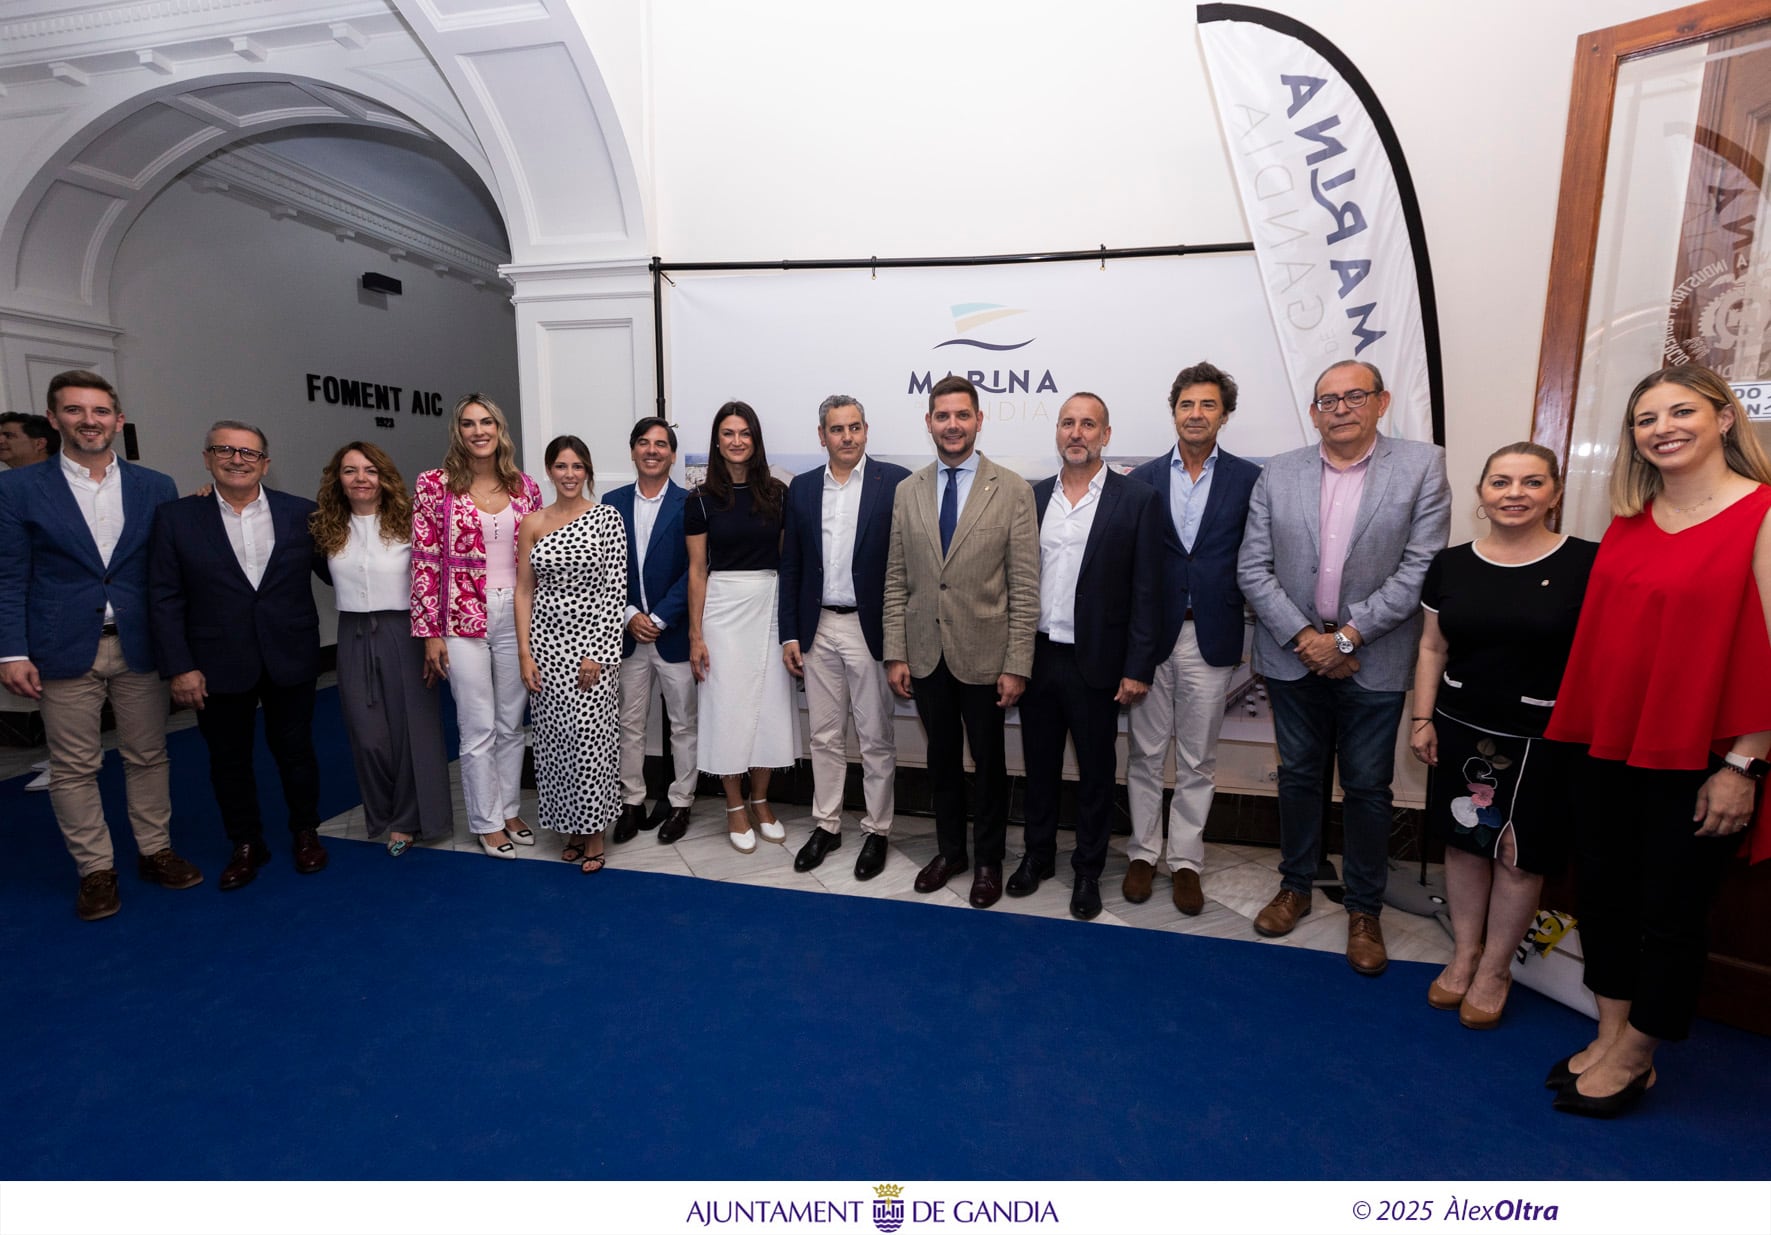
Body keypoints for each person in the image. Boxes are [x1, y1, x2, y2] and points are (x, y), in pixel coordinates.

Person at [1542, 364, 1771, 1117]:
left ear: (1723, 419)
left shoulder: (1762, 513)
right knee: (1602, 894)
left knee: (1672, 910)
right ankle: (1612, 1034)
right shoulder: (1629, 518)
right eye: (1646, 418)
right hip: (1605, 743)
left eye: (1681, 412)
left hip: (1702, 754)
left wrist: (1744, 763)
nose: (1662, 428)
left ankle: (1640, 1051)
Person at [1237, 359, 1451, 974]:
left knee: (1367, 787)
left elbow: (1421, 568)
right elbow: (1253, 566)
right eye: (1328, 400)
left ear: (1382, 402)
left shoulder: (1421, 466)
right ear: (1313, 413)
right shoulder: (1280, 472)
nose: (1341, 409)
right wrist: (1308, 638)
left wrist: (1348, 639)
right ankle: (1296, 886)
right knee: (1299, 778)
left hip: (1374, 658)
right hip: (1293, 655)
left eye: (1355, 396)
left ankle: (1364, 909)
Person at [1409, 443, 1596, 1028]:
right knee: (1465, 842)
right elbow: (1432, 647)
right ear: (1482, 493)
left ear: (1555, 493)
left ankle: (1495, 968)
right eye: (1501, 481)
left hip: (1544, 738)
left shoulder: (1587, 563)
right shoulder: (1451, 565)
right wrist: (1422, 718)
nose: (1515, 493)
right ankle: (1465, 953)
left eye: (1532, 482)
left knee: (1519, 854)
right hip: (1460, 727)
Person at [0, 370, 196, 919]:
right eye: (75, 410)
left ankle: (155, 851)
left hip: (139, 644)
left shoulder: (155, 486)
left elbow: (168, 569)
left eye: (100, 411)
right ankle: (96, 870)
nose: (89, 421)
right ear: (54, 418)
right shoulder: (17, 489)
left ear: (118, 420)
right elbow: (9, 576)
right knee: (73, 766)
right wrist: (11, 651)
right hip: (61, 647)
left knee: (149, 754)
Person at [148, 420, 329, 891]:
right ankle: (246, 843)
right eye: (225, 450)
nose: (236, 459)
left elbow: (340, 569)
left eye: (249, 453)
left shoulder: (302, 514)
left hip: (290, 654)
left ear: (265, 464)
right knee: (228, 760)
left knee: (297, 752)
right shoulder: (177, 518)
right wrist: (180, 666)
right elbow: (165, 596)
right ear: (207, 458)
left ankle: (305, 832)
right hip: (215, 662)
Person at [883, 374, 1040, 909]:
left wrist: (1018, 663)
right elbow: (896, 578)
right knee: (942, 761)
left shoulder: (1013, 490)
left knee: (990, 766)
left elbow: (1025, 586)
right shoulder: (908, 491)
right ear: (929, 422)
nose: (953, 425)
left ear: (978, 420)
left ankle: (989, 860)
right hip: (926, 655)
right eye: (943, 416)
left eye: (962, 415)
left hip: (987, 657)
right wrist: (896, 652)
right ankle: (951, 852)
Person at [1012, 393, 1162, 919]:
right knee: (1040, 768)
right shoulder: (1032, 497)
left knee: (1097, 774)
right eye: (1068, 423)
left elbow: (1148, 590)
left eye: (1088, 424)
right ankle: (1037, 856)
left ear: (1106, 434)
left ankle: (1088, 870)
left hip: (1097, 662)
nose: (1077, 433)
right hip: (1038, 656)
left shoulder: (1137, 499)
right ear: (1057, 431)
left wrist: (1138, 667)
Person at [1124, 361, 1262, 915]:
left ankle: (1185, 862)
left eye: (1208, 405)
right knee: (1144, 753)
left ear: (1224, 415)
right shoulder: (1142, 480)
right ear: (1174, 412)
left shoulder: (1250, 480)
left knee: (1198, 759)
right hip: (1150, 638)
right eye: (1187, 404)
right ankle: (1142, 853)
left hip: (1212, 634)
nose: (1196, 414)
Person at [779, 396, 910, 881]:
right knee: (824, 735)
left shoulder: (894, 482)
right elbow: (791, 564)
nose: (847, 436)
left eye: (855, 427)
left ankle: (877, 830)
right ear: (822, 436)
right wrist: (789, 634)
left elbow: (907, 566)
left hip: (869, 628)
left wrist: (900, 641)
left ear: (866, 430)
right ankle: (827, 824)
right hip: (818, 628)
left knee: (876, 737)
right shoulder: (803, 488)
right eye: (837, 429)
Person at [410, 394, 545, 859]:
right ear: (458, 432)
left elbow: (538, 559)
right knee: (477, 723)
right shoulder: (434, 485)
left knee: (511, 722)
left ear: (499, 429)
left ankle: (508, 810)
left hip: (518, 615)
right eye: (468, 424)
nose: (478, 431)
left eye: (486, 422)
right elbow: (424, 560)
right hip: (460, 616)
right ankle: (486, 822)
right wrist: (429, 631)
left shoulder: (525, 487)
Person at [311, 441, 453, 856]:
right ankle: (384, 811)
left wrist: (433, 634)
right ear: (338, 479)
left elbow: (434, 578)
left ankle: (407, 821)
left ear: (384, 477)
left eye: (370, 470)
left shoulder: (411, 522)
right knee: (368, 735)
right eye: (350, 470)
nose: (361, 478)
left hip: (406, 631)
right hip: (352, 634)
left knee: (413, 730)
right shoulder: (323, 527)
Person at [686, 401, 797, 851]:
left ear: (756, 440)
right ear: (717, 441)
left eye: (745, 433)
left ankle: (761, 800)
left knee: (769, 706)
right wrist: (696, 635)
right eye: (728, 433)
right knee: (728, 708)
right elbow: (697, 570)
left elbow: (788, 560)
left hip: (769, 603)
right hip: (722, 610)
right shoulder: (699, 500)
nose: (737, 441)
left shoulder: (778, 493)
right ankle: (734, 805)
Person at [516, 435, 627, 874]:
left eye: (577, 466)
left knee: (590, 741)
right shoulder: (533, 522)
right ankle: (572, 829)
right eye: (561, 466)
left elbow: (614, 590)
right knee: (556, 742)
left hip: (592, 650)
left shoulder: (606, 518)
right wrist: (525, 654)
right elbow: (524, 590)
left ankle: (595, 832)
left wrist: (596, 653)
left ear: (587, 472)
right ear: (549, 470)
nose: (569, 474)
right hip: (545, 646)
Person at [605, 418, 698, 846]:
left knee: (683, 724)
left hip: (672, 633)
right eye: (644, 442)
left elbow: (697, 568)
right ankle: (631, 802)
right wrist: (629, 614)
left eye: (661, 444)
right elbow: (606, 568)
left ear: (672, 455)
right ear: (632, 451)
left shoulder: (691, 502)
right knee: (629, 723)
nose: (652, 450)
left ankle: (681, 803)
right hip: (628, 634)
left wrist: (659, 617)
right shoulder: (611, 504)